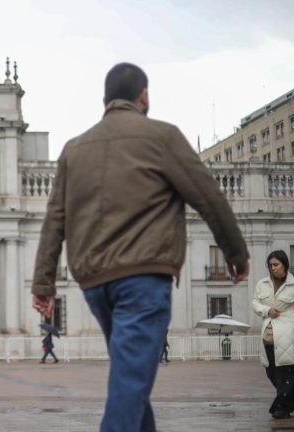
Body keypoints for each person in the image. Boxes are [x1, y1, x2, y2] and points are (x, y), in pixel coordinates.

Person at [31, 63, 250, 432]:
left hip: (94, 283)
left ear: (105, 100)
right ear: (144, 96)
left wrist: (43, 284)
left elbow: (55, 218)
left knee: (130, 376)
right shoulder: (162, 137)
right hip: (143, 277)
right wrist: (236, 253)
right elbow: (208, 196)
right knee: (131, 381)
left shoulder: (74, 148)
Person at [252, 250, 294, 419]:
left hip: (288, 338)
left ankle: (281, 409)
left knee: (286, 376)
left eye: (276, 265)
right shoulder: (262, 284)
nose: (273, 268)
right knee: (272, 374)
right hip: (268, 337)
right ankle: (285, 405)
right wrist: (267, 310)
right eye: (270, 265)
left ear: (285, 265)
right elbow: (255, 302)